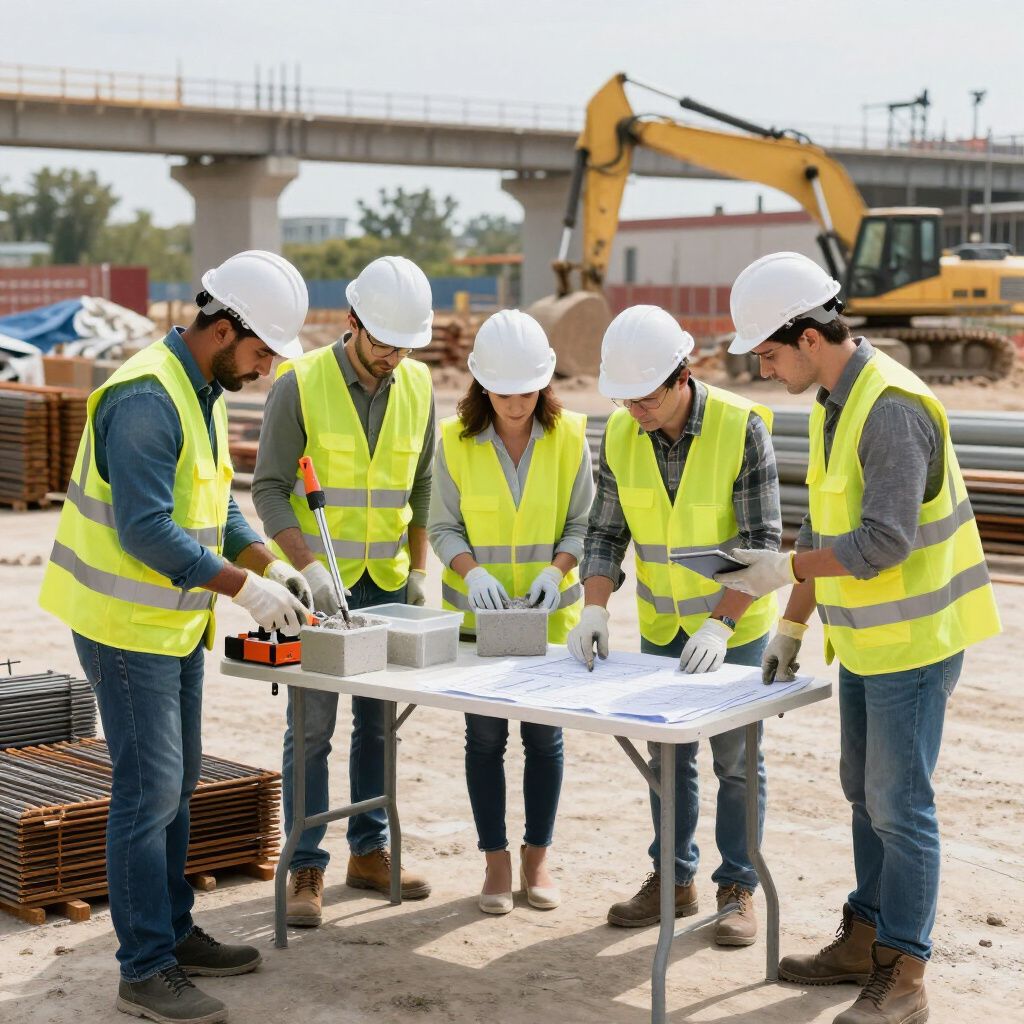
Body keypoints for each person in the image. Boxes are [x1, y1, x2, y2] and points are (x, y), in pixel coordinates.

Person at [717, 251, 1002, 1024]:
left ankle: (904, 975)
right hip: (870, 643)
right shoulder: (833, 404)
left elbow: (883, 543)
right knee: (864, 795)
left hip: (916, 644)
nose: (766, 369)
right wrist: (793, 621)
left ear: (809, 337)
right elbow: (825, 527)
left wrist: (781, 570)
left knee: (900, 805)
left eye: (770, 353)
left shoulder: (891, 409)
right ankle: (866, 936)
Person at [39, 250, 313, 1024]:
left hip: (172, 623)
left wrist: (274, 567)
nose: (262, 370)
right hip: (124, 628)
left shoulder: (203, 391)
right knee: (147, 792)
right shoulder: (146, 398)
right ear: (223, 330)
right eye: (260, 353)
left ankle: (173, 931)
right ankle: (144, 968)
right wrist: (244, 589)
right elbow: (146, 531)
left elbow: (214, 509)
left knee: (178, 782)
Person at [566, 304, 782, 945]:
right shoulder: (622, 432)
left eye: (647, 396)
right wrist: (596, 605)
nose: (636, 409)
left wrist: (718, 626)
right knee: (667, 763)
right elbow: (606, 531)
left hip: (735, 632)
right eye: (624, 398)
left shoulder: (741, 429)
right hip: (662, 627)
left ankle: (738, 887)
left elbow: (761, 541)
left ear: (682, 375)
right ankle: (673, 879)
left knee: (738, 764)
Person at [252, 255, 435, 927]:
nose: (394, 355)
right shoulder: (299, 383)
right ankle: (305, 863)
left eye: (405, 344)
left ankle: (370, 850)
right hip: (317, 586)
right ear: (352, 321)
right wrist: (305, 566)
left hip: (384, 582)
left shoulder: (417, 385)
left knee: (378, 727)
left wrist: (419, 569)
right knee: (312, 728)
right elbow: (268, 489)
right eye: (384, 341)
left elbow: (421, 489)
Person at [428, 309, 593, 914]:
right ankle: (496, 860)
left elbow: (582, 524)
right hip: (479, 624)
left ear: (544, 383)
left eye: (527, 391)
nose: (516, 404)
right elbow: (442, 526)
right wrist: (472, 576)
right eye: (503, 393)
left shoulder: (572, 434)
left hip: (550, 622)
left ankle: (536, 855)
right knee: (484, 738)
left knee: (545, 741)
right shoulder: (454, 441)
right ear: (480, 385)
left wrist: (559, 569)